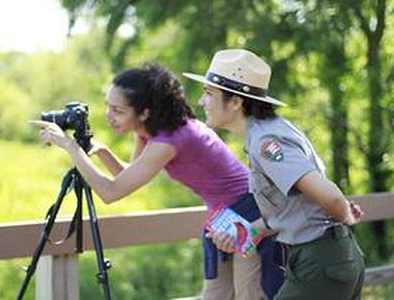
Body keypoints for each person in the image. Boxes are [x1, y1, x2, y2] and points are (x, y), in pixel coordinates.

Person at [30, 63, 284, 300]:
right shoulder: (150, 134)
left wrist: (70, 146)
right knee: (217, 295)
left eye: (118, 111)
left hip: (249, 212)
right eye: (108, 107)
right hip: (222, 218)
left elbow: (110, 192)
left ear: (144, 113)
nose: (110, 116)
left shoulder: (170, 139)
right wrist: (103, 151)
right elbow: (126, 176)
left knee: (249, 294)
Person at [183, 49, 365, 300]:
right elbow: (291, 212)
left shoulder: (266, 143)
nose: (202, 102)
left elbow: (331, 197)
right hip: (321, 259)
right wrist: (243, 232)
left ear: (236, 102)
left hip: (321, 261)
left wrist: (346, 214)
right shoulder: (265, 133)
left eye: (209, 93)